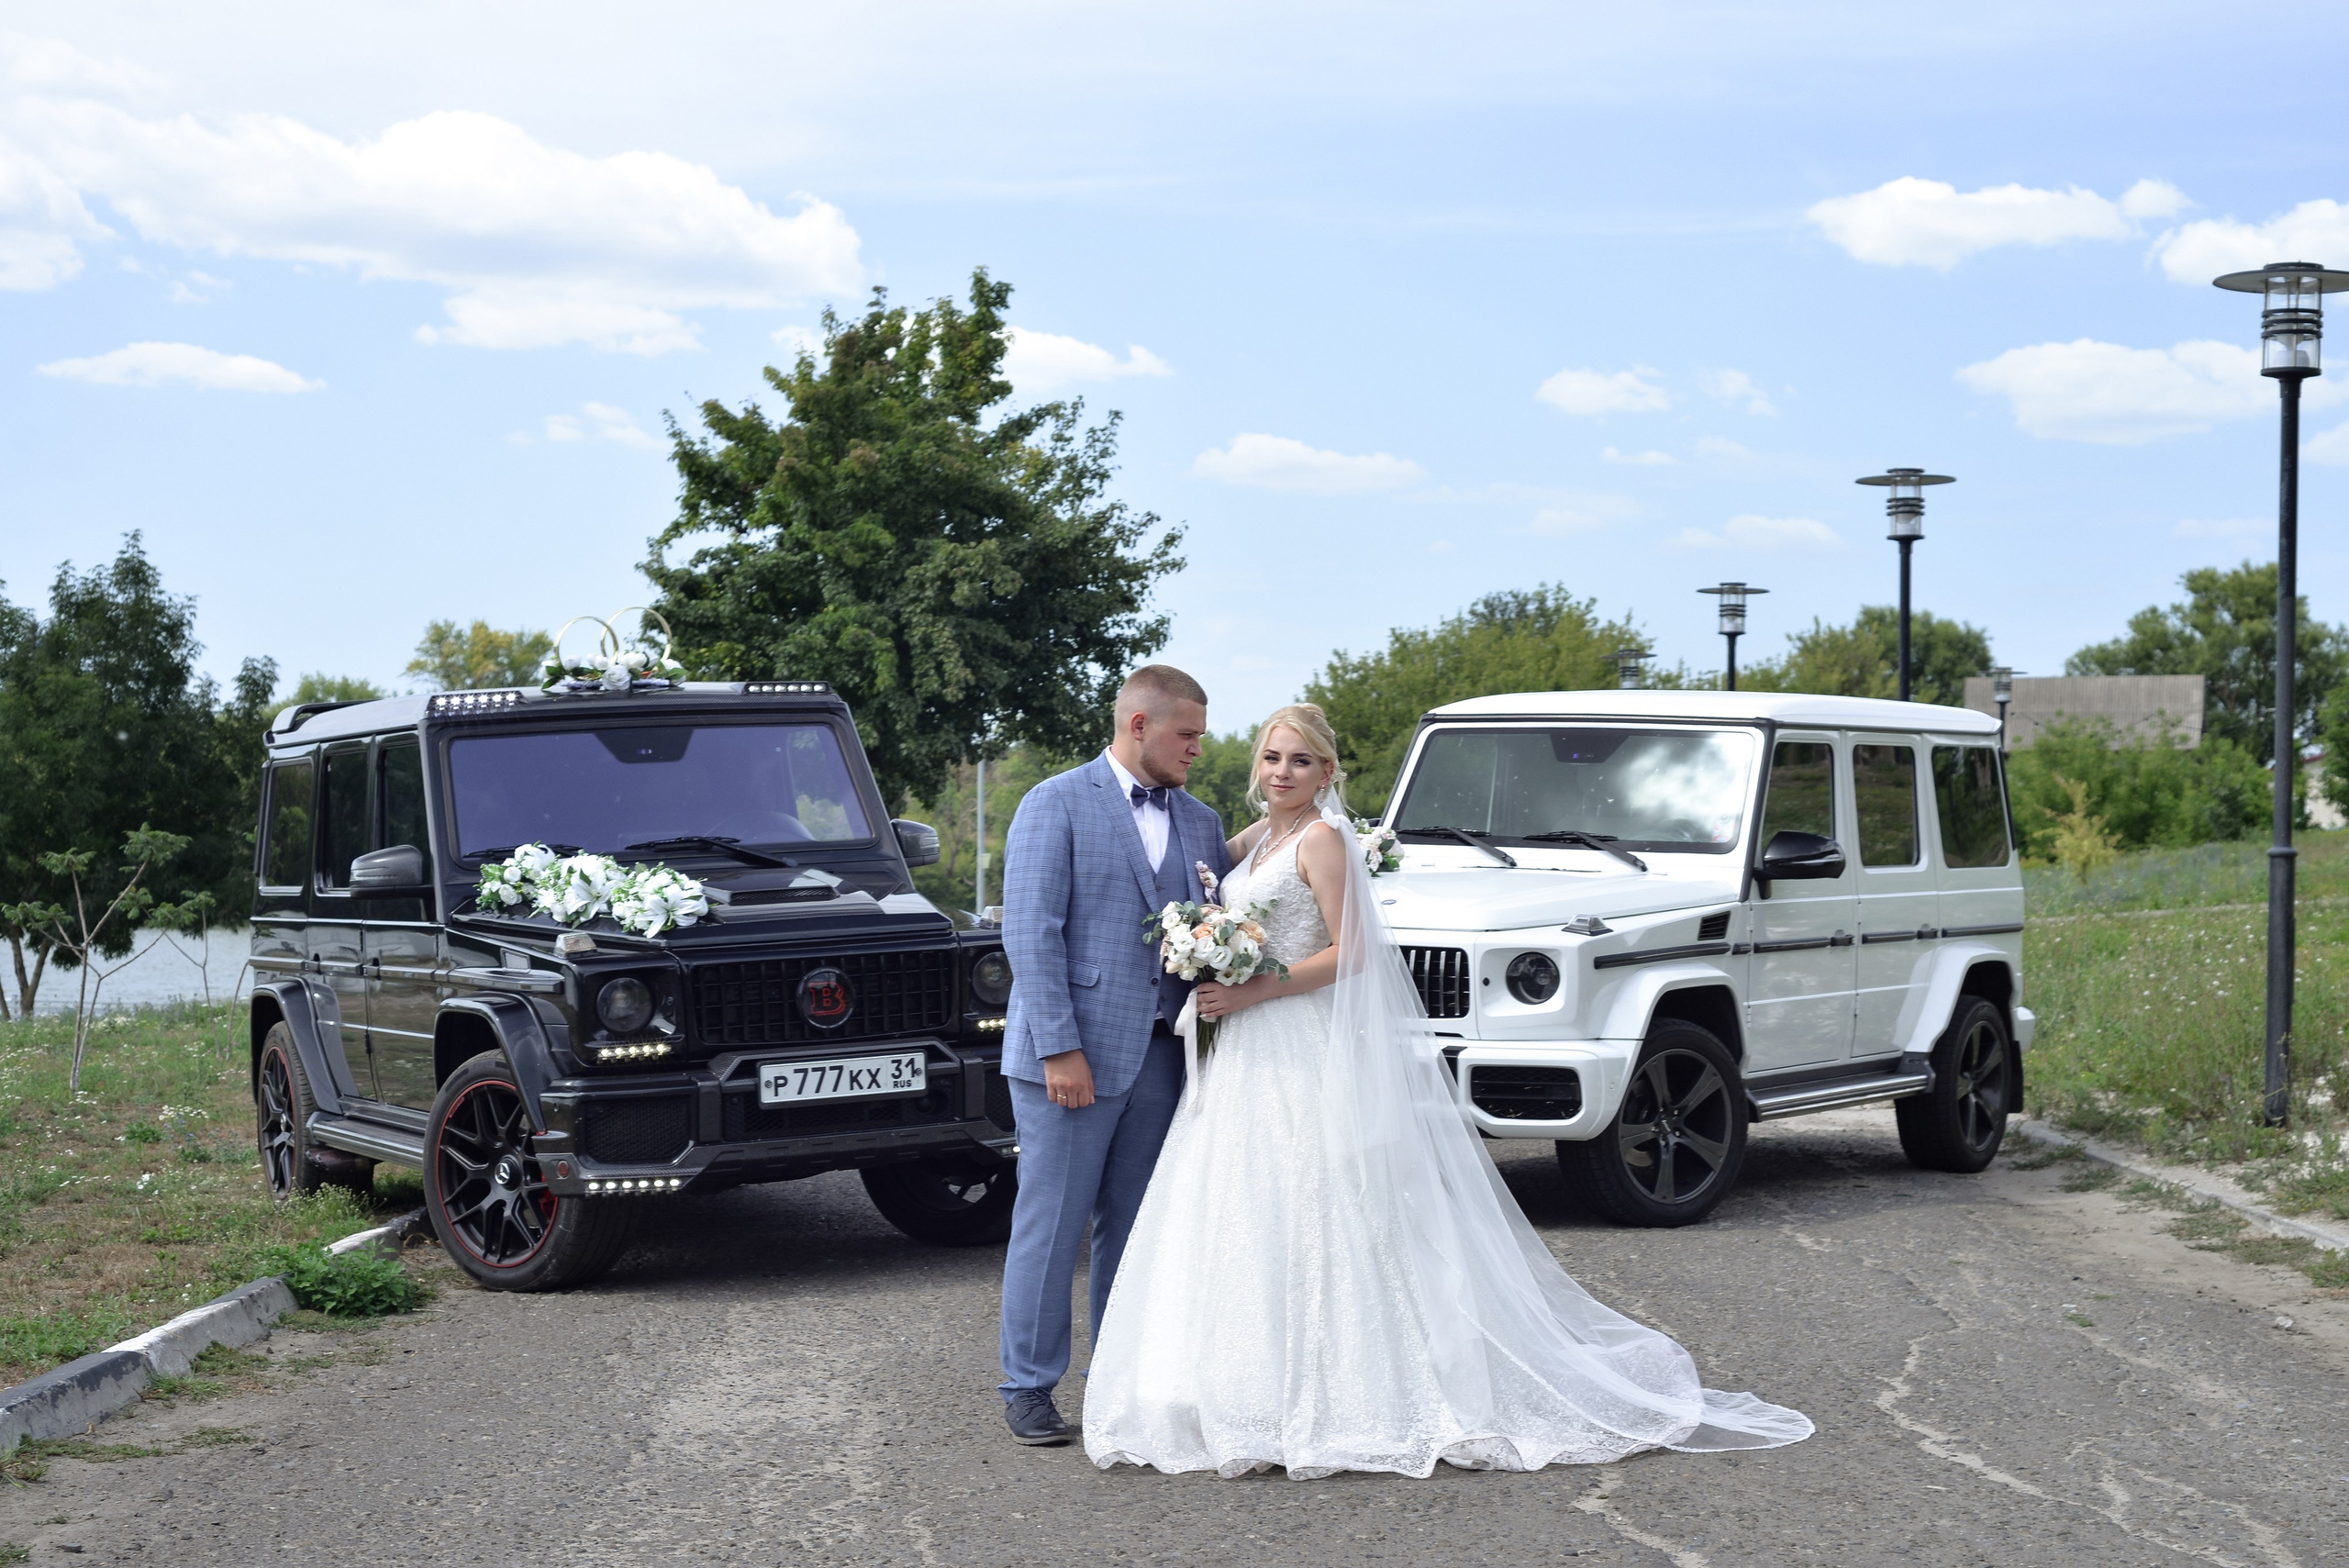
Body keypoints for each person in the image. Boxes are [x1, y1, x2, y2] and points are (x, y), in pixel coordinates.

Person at [1082, 703, 1813, 1478]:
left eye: (1300, 760)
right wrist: (1200, 947)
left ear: (1328, 773)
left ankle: (1339, 1395)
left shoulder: (1323, 841)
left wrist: (1250, 986)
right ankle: (1218, 1389)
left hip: (1293, 1038)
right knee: (1238, 1209)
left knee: (1319, 1207)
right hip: (1245, 1057)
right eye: (1271, 757)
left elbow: (1355, 954)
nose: (1281, 772)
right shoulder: (1258, 837)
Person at [995, 665, 1232, 1446]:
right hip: (1071, 1059)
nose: (1198, 748)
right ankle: (1028, 1385)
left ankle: (1118, 1378)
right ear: (1139, 725)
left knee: (1135, 1227)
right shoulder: (1053, 803)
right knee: (1052, 1224)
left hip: (1164, 1057)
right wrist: (1061, 1048)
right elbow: (1031, 934)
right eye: (1186, 735)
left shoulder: (1201, 821)